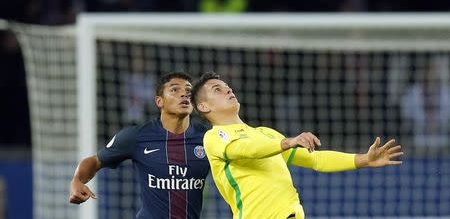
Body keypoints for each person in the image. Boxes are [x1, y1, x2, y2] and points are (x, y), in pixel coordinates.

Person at [191, 72, 404, 219]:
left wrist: (363, 160)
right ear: (203, 106)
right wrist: (287, 142)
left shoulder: (266, 134)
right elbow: (245, 150)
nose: (228, 90)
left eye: (227, 87)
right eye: (218, 90)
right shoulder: (214, 137)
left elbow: (316, 159)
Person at [69, 71, 211, 219]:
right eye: (175, 89)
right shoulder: (137, 136)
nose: (184, 94)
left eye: (188, 91)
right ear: (159, 101)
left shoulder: (208, 138)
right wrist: (77, 180)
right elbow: (95, 160)